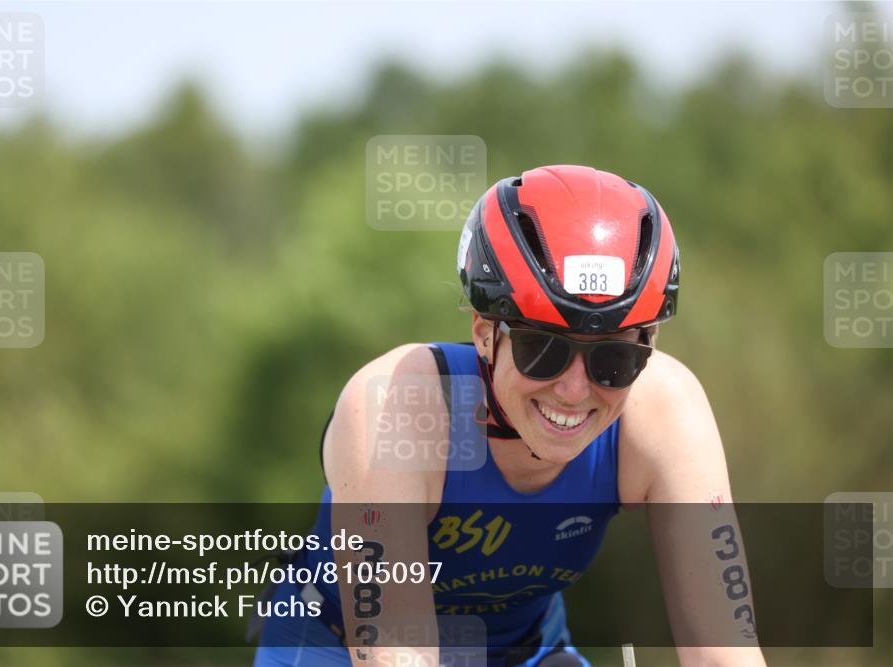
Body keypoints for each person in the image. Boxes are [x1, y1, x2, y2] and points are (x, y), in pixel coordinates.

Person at [253, 165, 767, 667]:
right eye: (542, 350)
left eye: (615, 360)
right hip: (337, 646)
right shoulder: (396, 404)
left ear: (649, 345)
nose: (573, 389)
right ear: (483, 331)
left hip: (528, 650)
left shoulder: (664, 409)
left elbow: (725, 653)